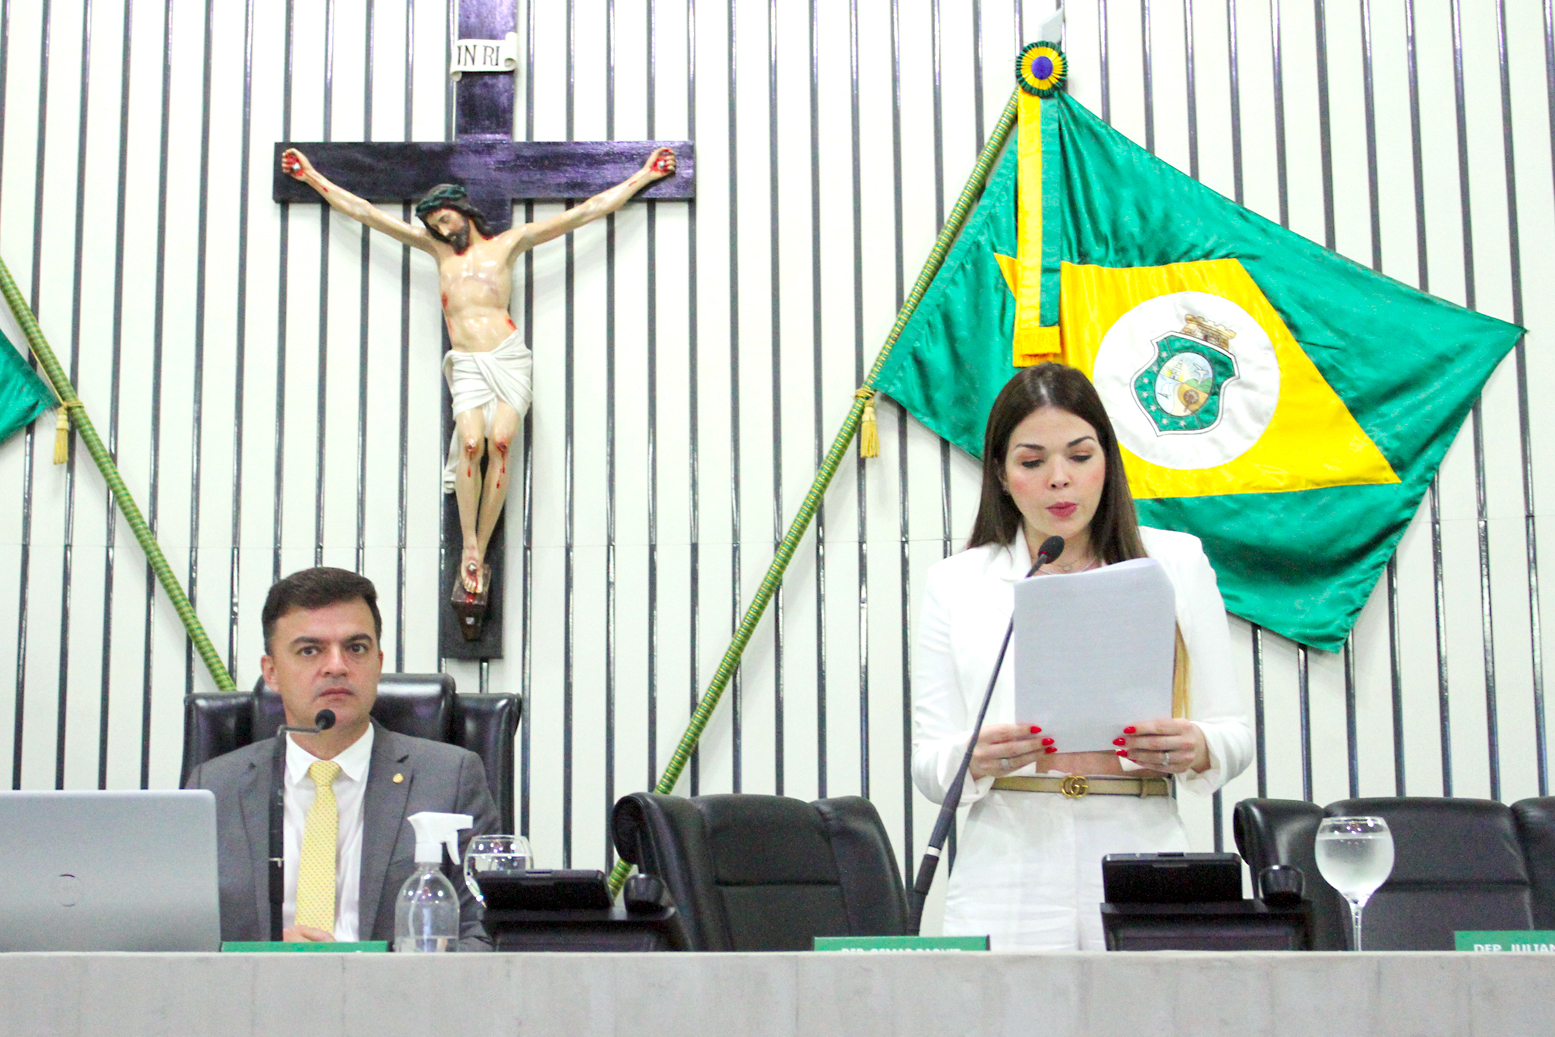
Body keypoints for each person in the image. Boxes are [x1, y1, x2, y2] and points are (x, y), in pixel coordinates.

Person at [910, 363, 1253, 950]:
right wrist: (976, 757)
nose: (1059, 480)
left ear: (1108, 461)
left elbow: (1233, 733)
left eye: (1079, 455)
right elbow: (928, 763)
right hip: (1008, 859)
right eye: (1032, 461)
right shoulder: (957, 582)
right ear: (1002, 473)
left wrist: (1198, 746)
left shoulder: (1177, 562)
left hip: (1141, 844)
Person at [280, 146, 677, 597]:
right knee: (471, 444)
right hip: (467, 363)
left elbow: (585, 213)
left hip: (507, 357)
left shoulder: (509, 244)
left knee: (500, 443)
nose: (441, 230)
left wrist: (643, 175)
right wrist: (312, 177)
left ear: (462, 211)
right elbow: (365, 212)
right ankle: (469, 544)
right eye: (433, 226)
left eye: (445, 220)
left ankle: (481, 548)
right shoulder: (435, 251)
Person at [184, 567, 500, 947]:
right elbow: (182, 941)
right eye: (310, 650)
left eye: (356, 648)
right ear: (272, 672)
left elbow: (486, 936)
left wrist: (369, 970)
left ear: (378, 663)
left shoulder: (449, 779)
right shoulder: (214, 788)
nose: (336, 665)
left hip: (395, 1000)